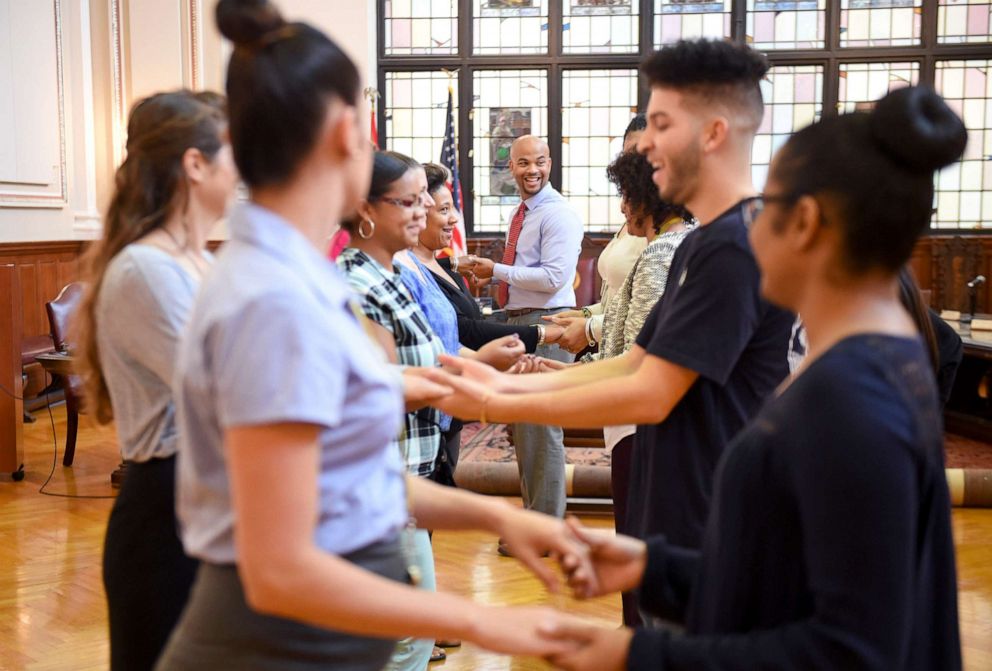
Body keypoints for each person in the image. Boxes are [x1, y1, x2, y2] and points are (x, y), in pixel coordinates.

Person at [156, 2, 589, 669]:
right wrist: (488, 622)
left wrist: (500, 517)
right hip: (275, 645)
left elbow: (348, 477)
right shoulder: (273, 295)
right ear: (341, 132)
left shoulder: (300, 273)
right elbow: (281, 566)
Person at [547, 85, 967, 671]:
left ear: (805, 223)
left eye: (763, 206)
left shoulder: (853, 398)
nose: (750, 222)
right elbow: (795, 572)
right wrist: (655, 569)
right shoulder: (870, 363)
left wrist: (636, 651)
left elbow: (851, 648)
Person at [436, 39, 795, 557]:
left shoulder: (736, 246)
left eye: (661, 126)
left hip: (709, 501)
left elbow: (650, 390)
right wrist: (531, 382)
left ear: (714, 133)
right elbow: (639, 363)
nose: (645, 146)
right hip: (682, 489)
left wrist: (493, 399)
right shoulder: (702, 240)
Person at [338, 150, 526, 668]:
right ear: (364, 208)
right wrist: (475, 381)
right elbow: (378, 390)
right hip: (378, 488)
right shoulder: (356, 283)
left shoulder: (391, 273)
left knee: (409, 639)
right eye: (410, 200)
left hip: (407, 483)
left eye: (426, 198)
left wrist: (484, 373)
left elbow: (424, 361)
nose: (424, 210)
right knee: (402, 642)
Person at [73, 90, 236, 671]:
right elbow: (231, 391)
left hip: (211, 497)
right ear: (195, 164)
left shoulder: (199, 262)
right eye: (232, 151)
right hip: (167, 514)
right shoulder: (147, 267)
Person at [465, 135, 584, 540]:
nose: (532, 170)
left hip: (548, 323)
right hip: (525, 318)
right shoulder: (523, 211)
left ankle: (546, 531)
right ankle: (535, 520)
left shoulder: (557, 214)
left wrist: (495, 269)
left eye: (540, 162)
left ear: (550, 163)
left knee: (540, 425)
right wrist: (490, 274)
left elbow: (553, 277)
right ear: (510, 167)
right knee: (526, 428)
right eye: (523, 163)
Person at [547, 115, 650, 354]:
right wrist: (584, 313)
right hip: (609, 351)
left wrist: (590, 328)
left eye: (643, 155)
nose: (634, 165)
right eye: (629, 155)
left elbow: (648, 318)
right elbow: (615, 300)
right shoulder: (631, 217)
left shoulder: (663, 239)